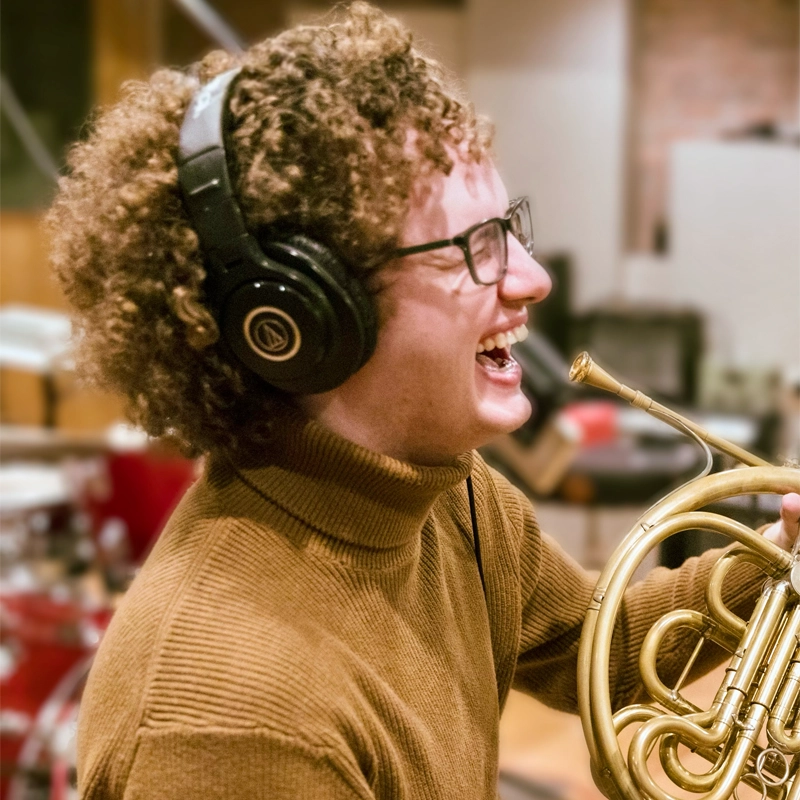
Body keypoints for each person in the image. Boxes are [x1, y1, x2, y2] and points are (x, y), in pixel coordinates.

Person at [47, 4, 799, 799]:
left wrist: (782, 551)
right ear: (307, 319)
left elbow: (596, 648)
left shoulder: (448, 493)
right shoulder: (234, 726)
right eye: (474, 248)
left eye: (510, 227)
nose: (533, 278)